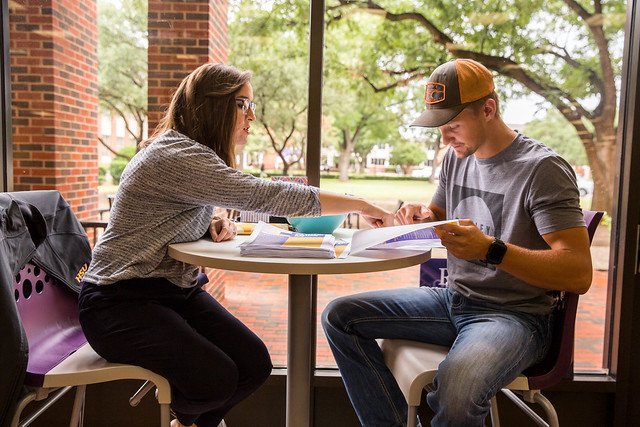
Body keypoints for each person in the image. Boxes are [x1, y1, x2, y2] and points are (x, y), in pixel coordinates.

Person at [78, 63, 394, 427]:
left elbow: (176, 208)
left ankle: (189, 419)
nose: (252, 116)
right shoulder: (176, 155)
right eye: (243, 104)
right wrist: (361, 204)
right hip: (117, 302)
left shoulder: (188, 152)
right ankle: (186, 418)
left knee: (254, 364)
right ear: (213, 106)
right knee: (216, 379)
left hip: (171, 293)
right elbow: (263, 194)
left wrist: (212, 219)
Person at [321, 58, 593, 426]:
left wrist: (490, 250)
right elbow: (439, 214)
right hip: (453, 299)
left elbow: (578, 272)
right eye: (439, 128)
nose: (445, 138)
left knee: (457, 390)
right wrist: (423, 216)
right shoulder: (456, 157)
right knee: (340, 317)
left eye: (451, 126)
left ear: (489, 109)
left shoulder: (542, 170)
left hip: (516, 316)